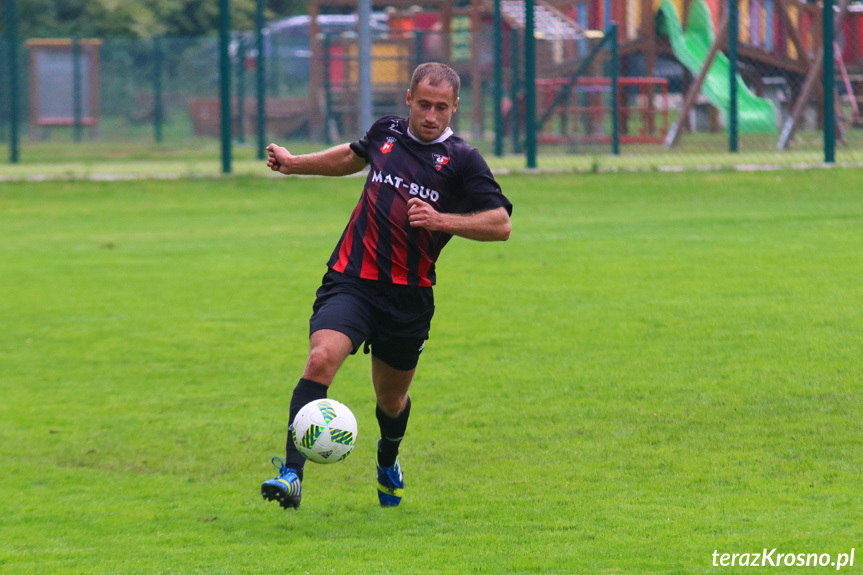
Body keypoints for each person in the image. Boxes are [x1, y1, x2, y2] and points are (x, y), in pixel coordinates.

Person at [260, 62, 512, 510]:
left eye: (441, 108)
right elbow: (352, 156)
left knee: (392, 400)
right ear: (409, 100)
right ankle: (291, 475)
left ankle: (388, 458)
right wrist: (295, 164)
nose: (431, 116)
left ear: (455, 107)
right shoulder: (386, 132)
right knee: (321, 359)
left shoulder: (463, 160)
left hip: (408, 297)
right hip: (351, 282)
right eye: (424, 104)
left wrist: (441, 220)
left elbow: (501, 223)